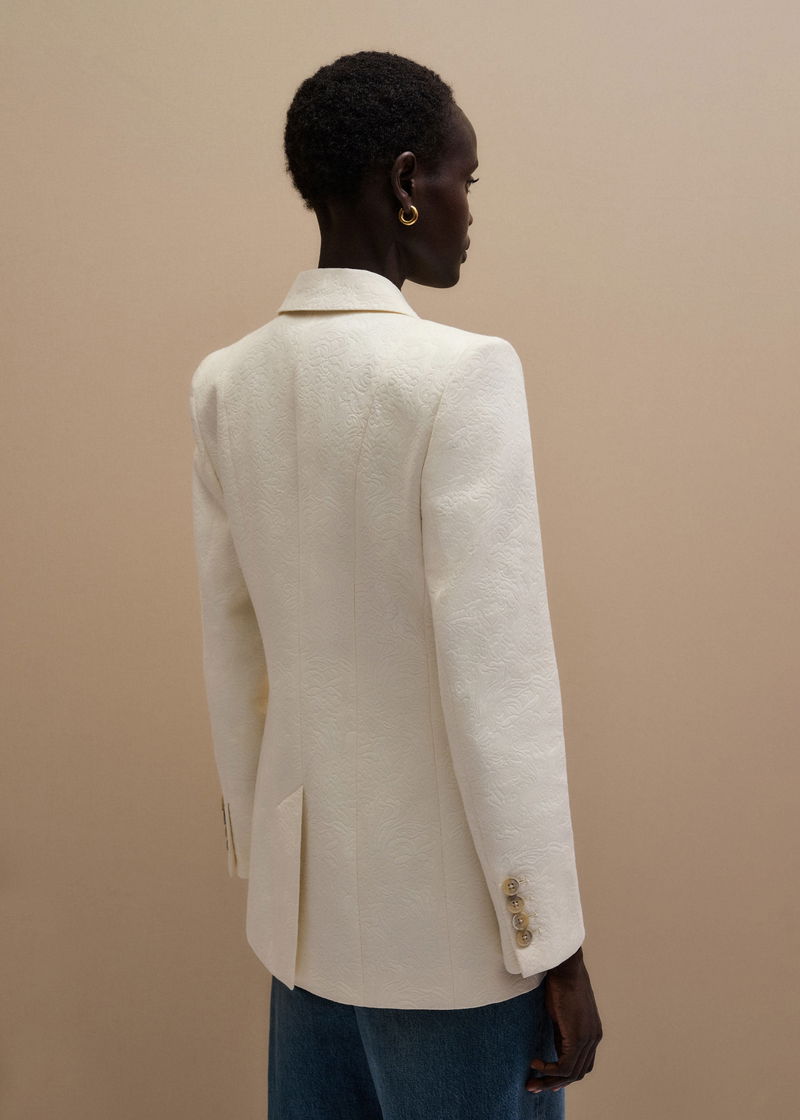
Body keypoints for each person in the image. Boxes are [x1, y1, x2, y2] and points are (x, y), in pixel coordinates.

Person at [189, 49, 602, 1119]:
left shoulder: (225, 383)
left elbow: (233, 652)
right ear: (408, 181)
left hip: (301, 927)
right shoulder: (462, 375)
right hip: (449, 942)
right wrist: (552, 943)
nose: (470, 211)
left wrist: (264, 856)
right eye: (467, 179)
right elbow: (498, 686)